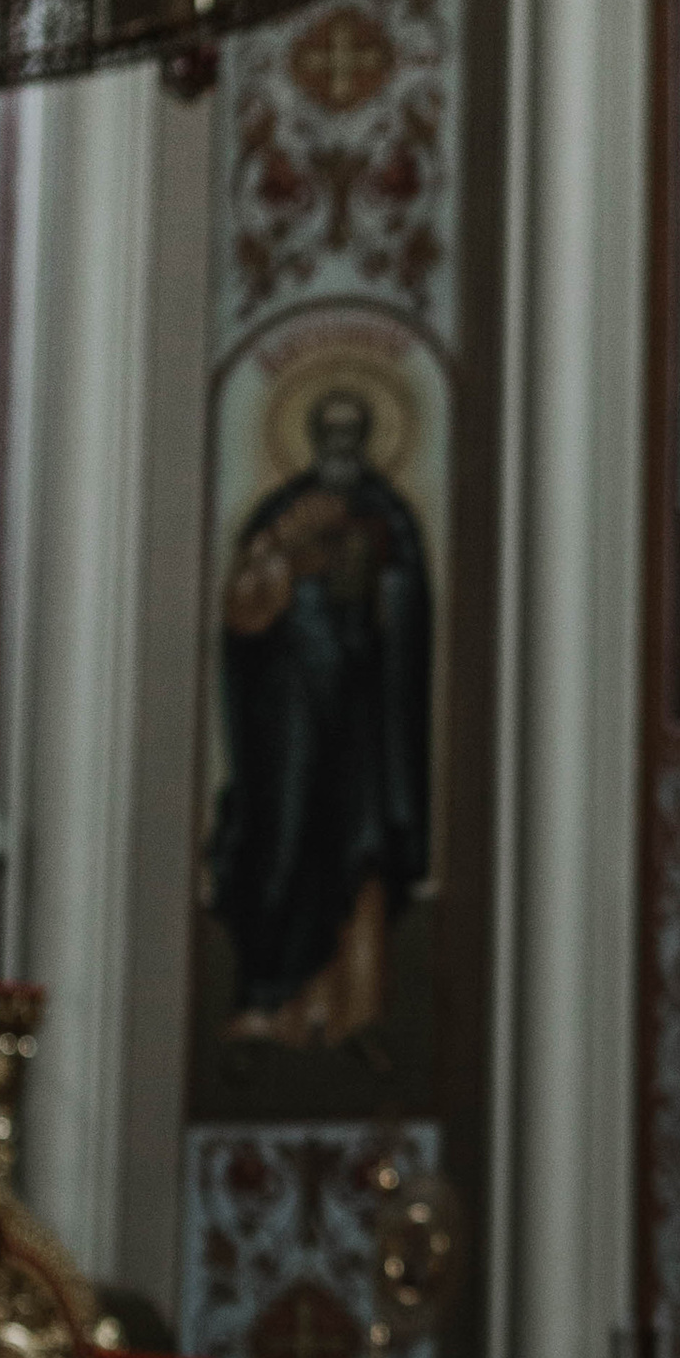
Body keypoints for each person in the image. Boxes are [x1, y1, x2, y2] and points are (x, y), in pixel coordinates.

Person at [208, 385, 433, 1045]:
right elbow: (243, 616)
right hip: (287, 720)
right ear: (312, 440)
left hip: (360, 721)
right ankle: (269, 998)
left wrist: (381, 583)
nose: (340, 448)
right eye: (329, 434)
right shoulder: (280, 514)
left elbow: (409, 610)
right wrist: (285, 568)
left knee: (355, 851)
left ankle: (347, 1012)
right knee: (281, 837)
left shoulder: (388, 516)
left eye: (351, 434)